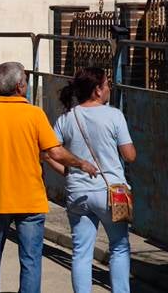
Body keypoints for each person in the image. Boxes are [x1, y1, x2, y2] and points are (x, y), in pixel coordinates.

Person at [0, 62, 98, 293]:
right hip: (30, 200)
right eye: (25, 79)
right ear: (20, 86)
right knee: (31, 260)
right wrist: (80, 163)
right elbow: (54, 151)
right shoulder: (34, 114)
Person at [44, 68, 135, 293]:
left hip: (78, 192)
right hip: (111, 192)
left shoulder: (67, 117)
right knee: (120, 247)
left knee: (81, 252)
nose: (109, 88)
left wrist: (66, 172)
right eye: (107, 85)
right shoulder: (114, 115)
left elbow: (48, 152)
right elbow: (129, 155)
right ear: (97, 90)